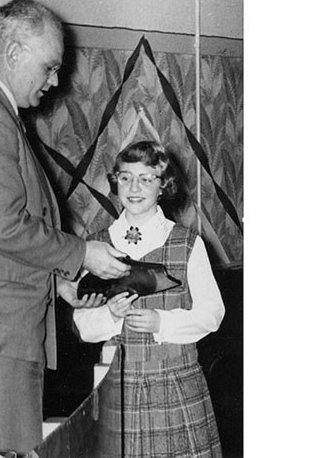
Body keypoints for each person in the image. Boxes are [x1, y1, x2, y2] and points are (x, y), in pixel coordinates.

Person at [0, 0, 130, 455]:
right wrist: (82, 254)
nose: (54, 82)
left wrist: (57, 283)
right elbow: (5, 227)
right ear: (14, 53)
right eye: (50, 67)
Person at [70, 140, 225, 457]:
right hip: (118, 387)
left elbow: (213, 313)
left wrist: (162, 322)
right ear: (115, 182)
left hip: (175, 382)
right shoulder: (98, 246)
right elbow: (82, 324)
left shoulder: (187, 244)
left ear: (163, 185)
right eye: (126, 177)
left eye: (146, 178)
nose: (134, 187)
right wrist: (109, 315)